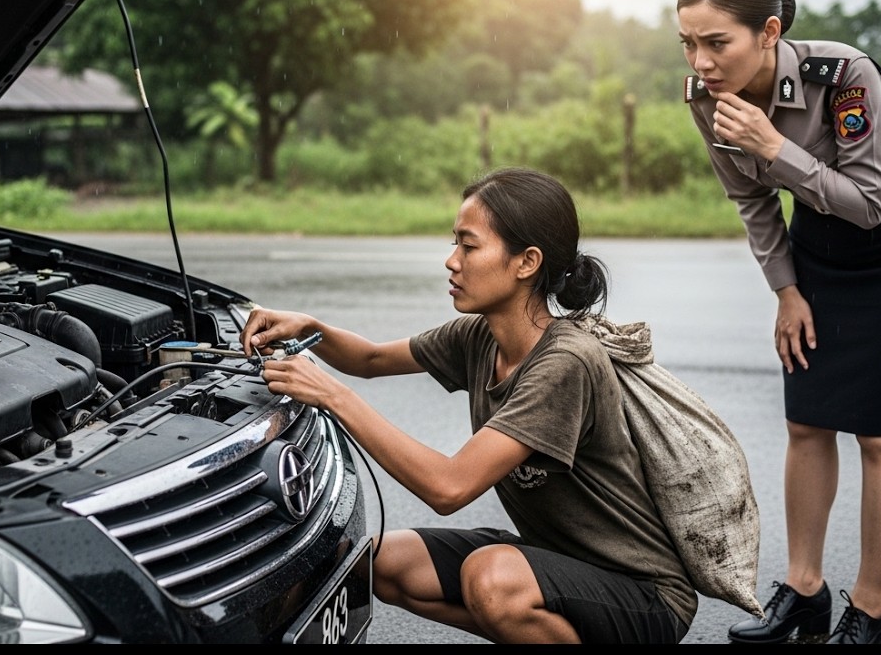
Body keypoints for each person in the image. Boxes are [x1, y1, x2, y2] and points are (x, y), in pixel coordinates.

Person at [239, 167, 696, 644]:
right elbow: (371, 359)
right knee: (382, 566)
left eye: (469, 246)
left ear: (527, 262)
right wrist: (309, 326)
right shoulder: (481, 336)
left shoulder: (565, 363)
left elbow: (449, 488)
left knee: (491, 581)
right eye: (454, 244)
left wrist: (332, 394)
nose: (451, 261)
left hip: (642, 594)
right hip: (554, 562)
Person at [676, 0, 881, 645]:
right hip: (820, 246)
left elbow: (868, 204)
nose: (702, 61)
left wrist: (774, 143)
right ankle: (804, 592)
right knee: (808, 419)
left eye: (718, 42)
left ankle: (869, 608)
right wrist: (788, 292)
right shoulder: (704, 98)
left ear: (769, 32)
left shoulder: (845, 77)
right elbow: (753, 204)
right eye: (688, 42)